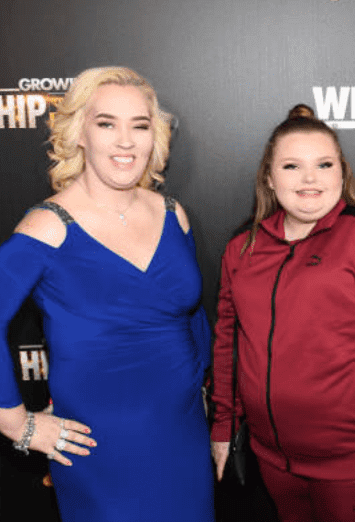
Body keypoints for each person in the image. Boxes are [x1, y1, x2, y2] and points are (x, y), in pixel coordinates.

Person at [0, 67, 214, 521]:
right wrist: (16, 423)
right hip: (100, 450)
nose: (125, 141)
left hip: (184, 437)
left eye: (139, 126)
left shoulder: (174, 215)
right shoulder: (48, 227)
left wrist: (201, 384)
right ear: (79, 132)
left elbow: (192, 317)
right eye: (106, 124)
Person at [209, 104, 355, 522]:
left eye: (323, 164)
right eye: (292, 166)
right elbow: (228, 344)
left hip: (354, 462)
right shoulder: (242, 247)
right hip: (270, 458)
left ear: (340, 174)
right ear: (270, 179)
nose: (309, 178)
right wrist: (224, 425)